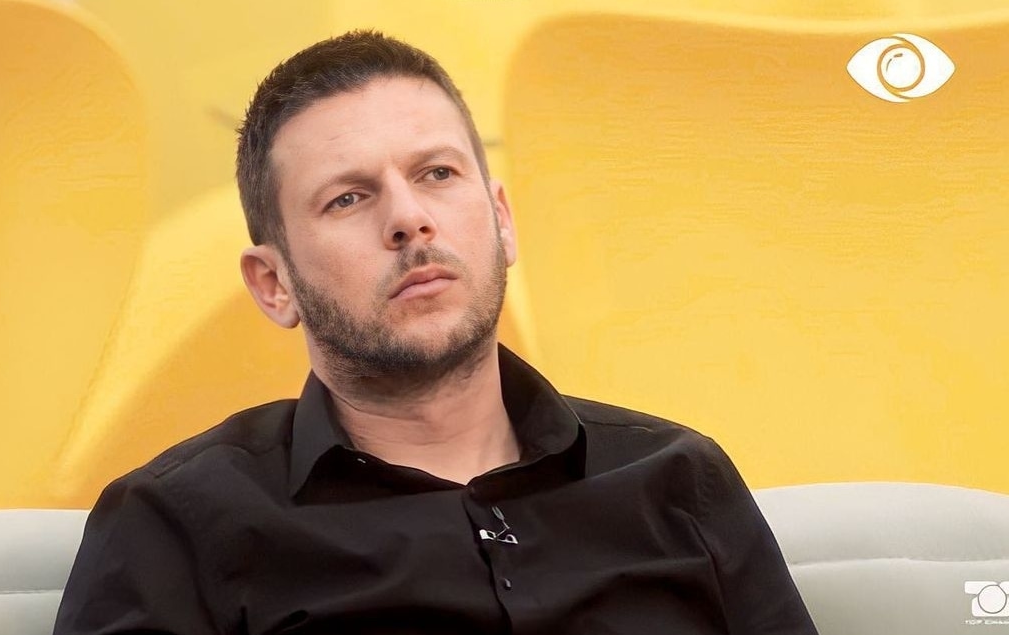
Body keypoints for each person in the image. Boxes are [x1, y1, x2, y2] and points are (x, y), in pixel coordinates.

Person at [54, 30, 818, 635]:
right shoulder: (175, 524)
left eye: (437, 174)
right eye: (348, 197)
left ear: (503, 221)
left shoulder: (679, 479)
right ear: (273, 283)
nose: (409, 218)